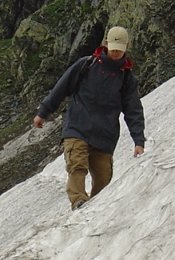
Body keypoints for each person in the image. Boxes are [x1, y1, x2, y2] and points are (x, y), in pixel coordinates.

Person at [33, 25, 146, 209]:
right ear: (106, 44)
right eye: (113, 48)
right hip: (77, 128)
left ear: (126, 47)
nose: (116, 53)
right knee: (77, 165)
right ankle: (78, 201)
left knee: (103, 179)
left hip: (104, 137)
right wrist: (43, 113)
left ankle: (95, 210)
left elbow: (133, 111)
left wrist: (138, 141)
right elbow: (61, 87)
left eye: (120, 49)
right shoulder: (86, 65)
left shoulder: (126, 79)